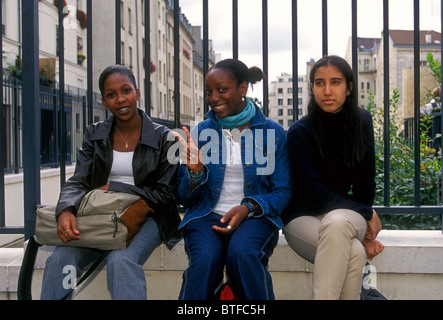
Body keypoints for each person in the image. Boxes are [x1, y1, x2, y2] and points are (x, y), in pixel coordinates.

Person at [40, 65, 181, 300]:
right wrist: (66, 208)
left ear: (137, 92)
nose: (120, 99)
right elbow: (79, 179)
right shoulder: (94, 134)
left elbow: (167, 193)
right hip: (103, 213)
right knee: (60, 260)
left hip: (150, 214)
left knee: (121, 260)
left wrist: (118, 187)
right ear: (104, 102)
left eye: (126, 90)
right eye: (111, 94)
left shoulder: (166, 137)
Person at [173, 59, 293, 300]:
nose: (213, 97)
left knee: (243, 254)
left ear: (243, 88)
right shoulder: (199, 133)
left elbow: (283, 191)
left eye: (222, 89)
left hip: (255, 216)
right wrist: (195, 171)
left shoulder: (273, 132)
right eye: (209, 91)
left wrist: (249, 207)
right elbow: (185, 198)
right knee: (204, 260)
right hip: (207, 215)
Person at [282, 55, 384, 300]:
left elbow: (365, 180)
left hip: (345, 217)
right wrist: (366, 213)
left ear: (349, 88)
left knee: (337, 221)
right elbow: (313, 194)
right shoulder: (299, 132)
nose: (327, 91)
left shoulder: (362, 121)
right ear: (312, 88)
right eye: (319, 83)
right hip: (303, 216)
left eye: (335, 82)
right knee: (355, 254)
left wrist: (365, 225)